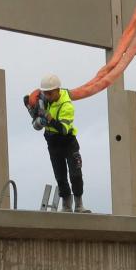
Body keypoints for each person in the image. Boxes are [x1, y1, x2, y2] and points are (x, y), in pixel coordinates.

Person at [26, 74, 86, 212]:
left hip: (68, 142)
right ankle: (66, 205)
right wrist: (32, 109)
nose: (47, 96)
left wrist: (48, 117)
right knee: (60, 176)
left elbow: (64, 129)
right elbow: (36, 123)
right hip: (53, 143)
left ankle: (79, 205)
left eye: (50, 93)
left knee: (75, 174)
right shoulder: (44, 100)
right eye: (45, 93)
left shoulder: (67, 105)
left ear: (57, 90)